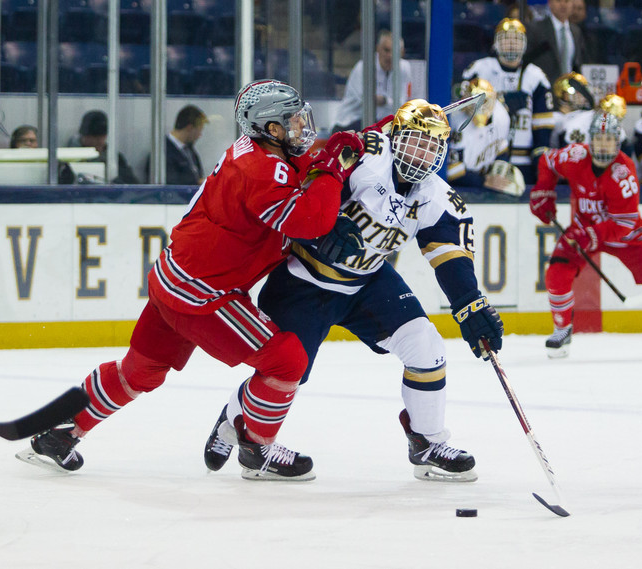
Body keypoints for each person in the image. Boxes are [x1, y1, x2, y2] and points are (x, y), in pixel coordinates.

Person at [17, 80, 365, 481]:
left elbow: (299, 167)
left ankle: (61, 431)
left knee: (140, 371)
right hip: (205, 296)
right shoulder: (261, 171)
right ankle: (257, 447)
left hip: (173, 279)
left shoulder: (255, 152)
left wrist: (362, 138)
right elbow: (312, 220)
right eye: (292, 121)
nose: (303, 127)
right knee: (286, 361)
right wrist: (333, 169)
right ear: (270, 129)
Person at [202, 99, 504, 482]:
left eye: (433, 146)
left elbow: (451, 259)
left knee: (425, 344)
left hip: (367, 283)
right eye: (415, 141)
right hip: (303, 282)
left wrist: (470, 305)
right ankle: (240, 426)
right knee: (286, 373)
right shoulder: (365, 155)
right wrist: (324, 229)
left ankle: (426, 442)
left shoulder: (438, 197)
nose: (423, 153)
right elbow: (306, 189)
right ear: (396, 137)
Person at [529, 111, 642, 358]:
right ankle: (562, 329)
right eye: (598, 139)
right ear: (590, 140)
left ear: (618, 142)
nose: (603, 145)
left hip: (625, 236)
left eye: (609, 140)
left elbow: (623, 224)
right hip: (583, 228)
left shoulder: (624, 172)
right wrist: (544, 191)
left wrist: (591, 235)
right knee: (556, 271)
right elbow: (547, 161)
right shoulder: (575, 156)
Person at [461, 18, 554, 186]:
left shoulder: (536, 76)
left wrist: (540, 165)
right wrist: (501, 103)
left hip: (523, 160)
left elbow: (543, 128)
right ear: (496, 43)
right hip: (485, 159)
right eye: (505, 39)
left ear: (525, 44)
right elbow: (463, 110)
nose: (511, 44)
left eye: (517, 39)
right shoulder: (479, 69)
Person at [445, 78, 519, 195]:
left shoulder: (502, 116)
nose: (479, 106)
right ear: (464, 99)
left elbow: (501, 148)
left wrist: (498, 174)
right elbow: (451, 171)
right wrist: (484, 180)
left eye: (484, 101)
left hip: (483, 180)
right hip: (460, 189)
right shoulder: (456, 121)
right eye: (474, 101)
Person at [331, 30, 413, 133]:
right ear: (378, 49)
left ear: (402, 53)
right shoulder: (363, 67)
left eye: (395, 52)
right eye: (386, 50)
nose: (390, 56)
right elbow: (366, 100)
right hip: (350, 122)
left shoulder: (404, 68)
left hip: (383, 124)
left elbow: (401, 103)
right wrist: (387, 101)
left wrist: (384, 100)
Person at [70, 109, 141, 184]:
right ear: (83, 136)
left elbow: (132, 184)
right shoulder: (69, 157)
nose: (95, 142)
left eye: (100, 138)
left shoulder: (114, 158)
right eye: (92, 137)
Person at [524, 0, 586, 83]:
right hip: (544, 87)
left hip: (568, 90)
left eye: (567, 1)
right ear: (550, 3)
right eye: (558, 1)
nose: (563, 5)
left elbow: (576, 64)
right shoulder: (536, 29)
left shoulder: (576, 32)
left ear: (572, 4)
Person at [163, 104, 207, 186]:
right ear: (189, 128)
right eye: (199, 131)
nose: (199, 135)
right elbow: (171, 186)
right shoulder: (163, 152)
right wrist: (196, 183)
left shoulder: (189, 150)